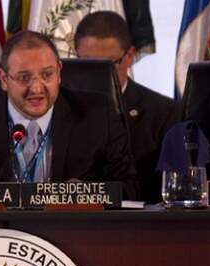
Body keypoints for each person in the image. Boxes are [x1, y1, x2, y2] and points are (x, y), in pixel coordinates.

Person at [0, 30, 137, 198]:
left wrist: (86, 194)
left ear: (59, 72)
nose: (36, 88)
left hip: (70, 234)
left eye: (46, 75)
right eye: (24, 77)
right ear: (4, 79)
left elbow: (129, 189)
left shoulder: (96, 115)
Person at [75, 11, 182, 202]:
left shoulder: (164, 113)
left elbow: (173, 191)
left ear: (130, 56)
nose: (99, 74)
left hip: (141, 226)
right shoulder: (60, 109)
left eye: (108, 65)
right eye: (89, 64)